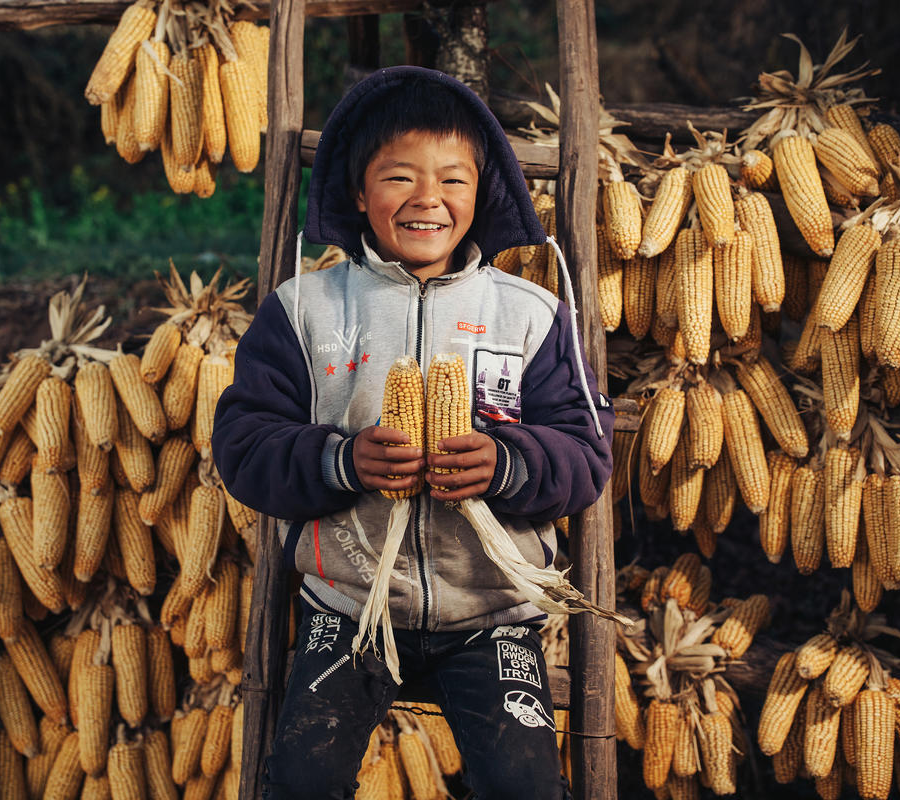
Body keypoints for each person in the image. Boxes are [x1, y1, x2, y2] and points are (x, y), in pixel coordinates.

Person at [212, 65, 614, 800]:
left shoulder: (529, 315)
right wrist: (339, 459)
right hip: (351, 607)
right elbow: (244, 445)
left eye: (453, 180)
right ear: (359, 193)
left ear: (483, 192)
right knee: (299, 780)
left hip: (490, 610)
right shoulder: (305, 311)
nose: (429, 199)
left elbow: (585, 452)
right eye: (400, 177)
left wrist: (507, 464)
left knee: (525, 787)